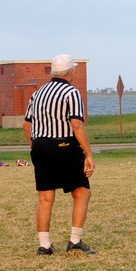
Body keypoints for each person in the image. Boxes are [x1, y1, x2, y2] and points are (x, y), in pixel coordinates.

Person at [23, 54, 96, 255]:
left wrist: (35, 147)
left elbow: (26, 125)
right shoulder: (71, 92)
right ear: (70, 71)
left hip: (40, 145)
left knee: (45, 197)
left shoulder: (37, 93)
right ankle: (75, 240)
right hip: (65, 145)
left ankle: (44, 245)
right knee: (81, 192)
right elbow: (76, 124)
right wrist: (89, 154)